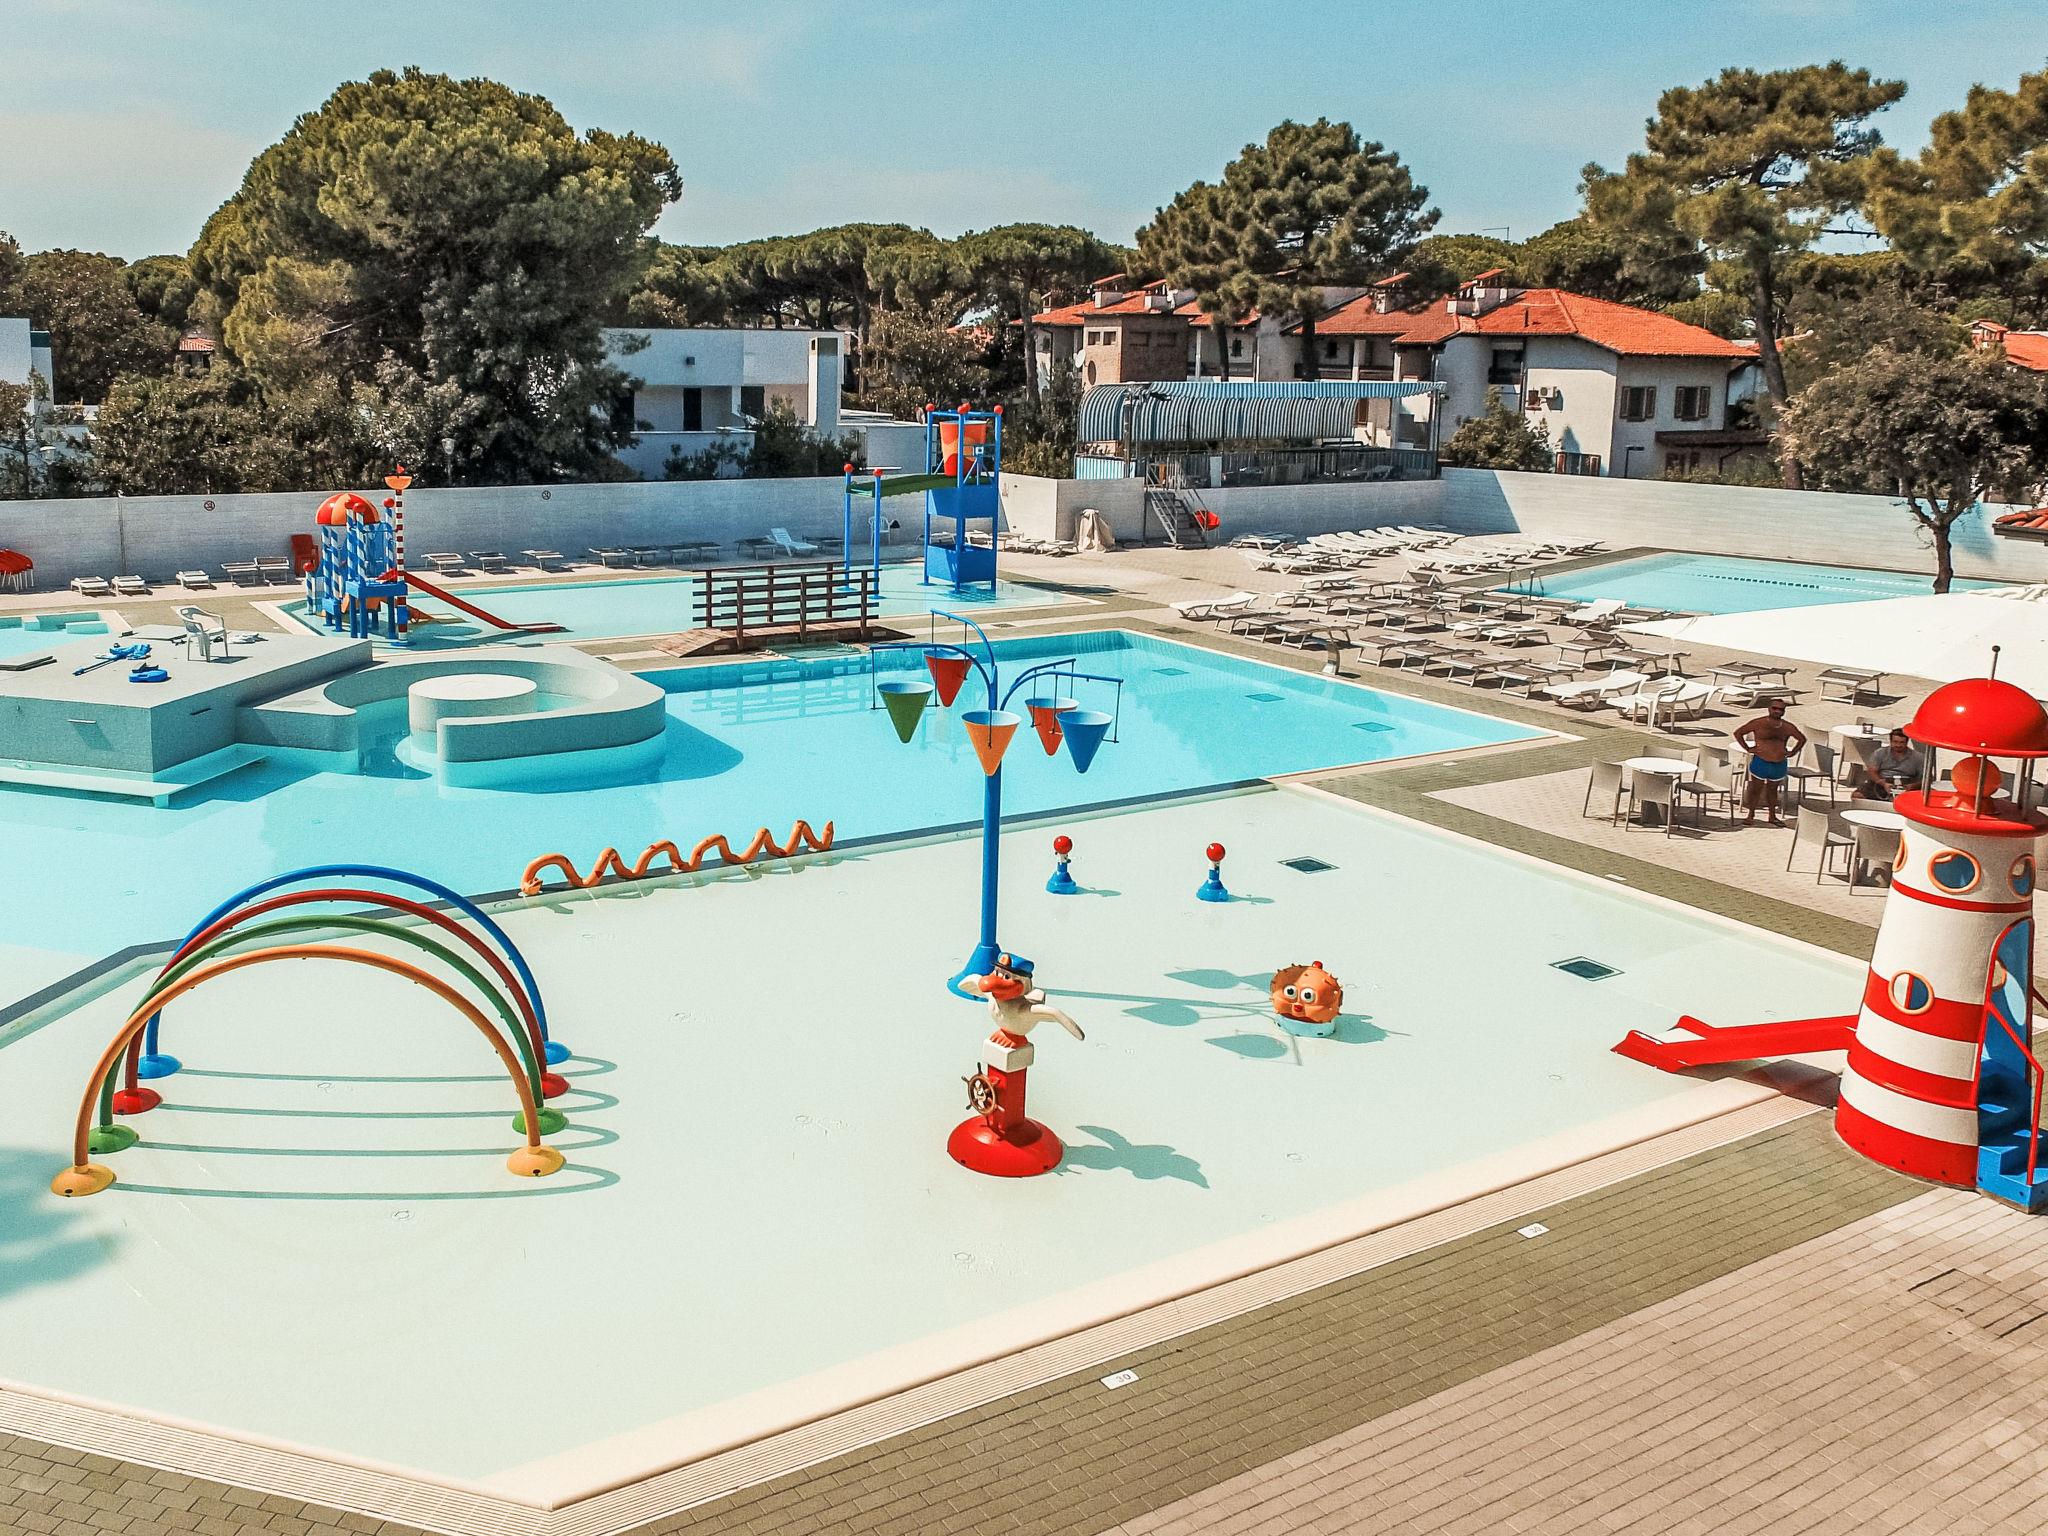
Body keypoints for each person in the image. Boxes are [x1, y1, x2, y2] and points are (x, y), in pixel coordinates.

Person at [1734, 698, 1807, 827]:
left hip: (1779, 763)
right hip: (1761, 761)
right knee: (1755, 789)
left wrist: (1793, 752)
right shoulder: (1759, 723)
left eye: (1781, 709)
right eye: (1775, 708)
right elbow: (1738, 733)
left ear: (1784, 711)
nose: (1777, 711)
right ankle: (1750, 815)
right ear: (1769, 709)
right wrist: (1748, 748)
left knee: (1773, 791)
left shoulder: (1787, 727)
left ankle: (1772, 816)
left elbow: (1802, 739)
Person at [1851, 729, 1925, 802]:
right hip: (1882, 782)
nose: (1898, 745)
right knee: (1857, 795)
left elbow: (1925, 778)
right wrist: (1883, 783)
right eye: (1895, 742)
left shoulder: (1918, 757)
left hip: (1907, 784)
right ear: (1890, 741)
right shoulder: (1880, 753)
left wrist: (1911, 786)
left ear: (1907, 742)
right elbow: (1871, 771)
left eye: (1901, 742)